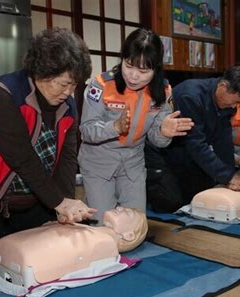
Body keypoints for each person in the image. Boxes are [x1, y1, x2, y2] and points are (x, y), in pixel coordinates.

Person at [0, 28, 97, 268]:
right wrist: (59, 202)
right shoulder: (1, 95)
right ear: (42, 72)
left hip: (33, 196)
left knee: (62, 244)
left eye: (75, 85)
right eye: (64, 84)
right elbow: (22, 158)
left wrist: (65, 204)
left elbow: (67, 157)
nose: (69, 93)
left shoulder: (67, 105)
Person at [78, 29, 194, 218]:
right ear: (122, 59)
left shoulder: (163, 91)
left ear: (155, 69)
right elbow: (87, 130)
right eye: (128, 65)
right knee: (103, 225)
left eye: (143, 71)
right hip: (99, 161)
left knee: (136, 224)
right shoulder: (101, 85)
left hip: (133, 162)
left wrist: (164, 133)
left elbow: (157, 141)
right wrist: (114, 127)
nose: (133, 76)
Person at [145, 66, 240, 213]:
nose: (235, 106)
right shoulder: (190, 96)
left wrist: (230, 174)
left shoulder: (227, 102)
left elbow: (223, 141)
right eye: (236, 101)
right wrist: (227, 177)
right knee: (170, 202)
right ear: (223, 86)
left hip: (186, 153)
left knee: (204, 194)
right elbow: (195, 143)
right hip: (162, 152)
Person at [0, 207, 147, 297]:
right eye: (122, 207)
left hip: (28, 255)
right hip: (25, 246)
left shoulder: (104, 242)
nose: (120, 207)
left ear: (129, 235)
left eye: (127, 212)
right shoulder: (92, 230)